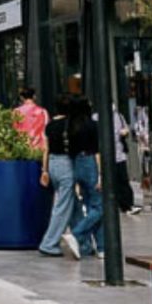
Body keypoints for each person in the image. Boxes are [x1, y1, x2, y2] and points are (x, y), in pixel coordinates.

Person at [38, 96, 103, 259]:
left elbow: (45, 149)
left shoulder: (50, 125)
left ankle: (84, 244)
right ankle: (50, 243)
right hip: (67, 163)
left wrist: (44, 170)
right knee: (65, 205)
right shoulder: (71, 125)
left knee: (73, 205)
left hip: (53, 164)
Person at [112, 106, 140, 215]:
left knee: (123, 179)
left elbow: (126, 129)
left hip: (119, 154)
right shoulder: (96, 117)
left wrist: (125, 132)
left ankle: (127, 205)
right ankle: (122, 204)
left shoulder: (119, 116)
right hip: (105, 155)